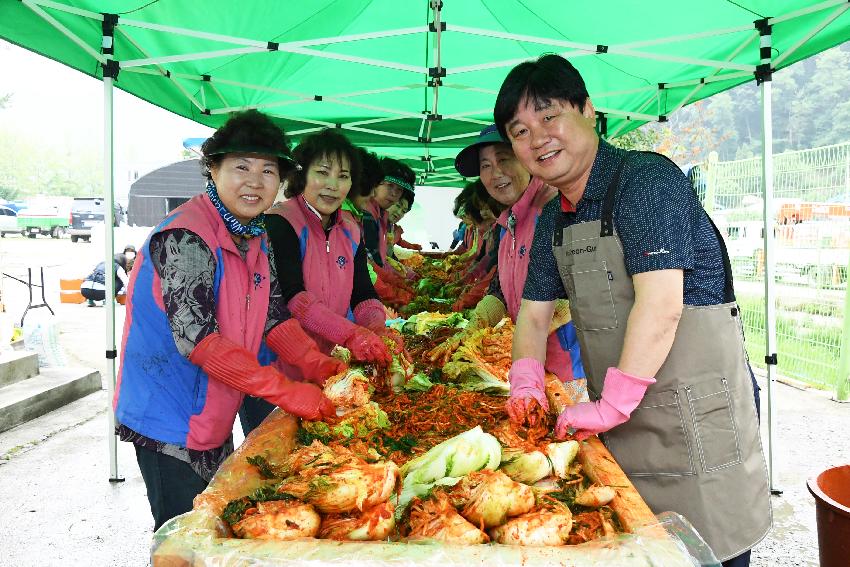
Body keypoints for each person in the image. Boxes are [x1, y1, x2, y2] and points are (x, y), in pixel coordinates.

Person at [495, 55, 770, 566]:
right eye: (520, 130)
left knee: (711, 550)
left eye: (550, 116)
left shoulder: (645, 180)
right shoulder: (555, 215)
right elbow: (534, 314)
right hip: (622, 420)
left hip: (693, 413)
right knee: (643, 548)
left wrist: (612, 404)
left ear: (588, 110)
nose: (538, 139)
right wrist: (525, 383)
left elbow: (662, 304)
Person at [113, 110, 341, 531]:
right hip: (168, 416)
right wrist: (287, 390)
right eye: (241, 167)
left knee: (216, 524)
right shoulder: (186, 237)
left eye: (268, 170)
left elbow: (275, 317)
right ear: (212, 169)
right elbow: (200, 341)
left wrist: (320, 365)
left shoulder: (255, 234)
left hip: (215, 408)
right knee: (184, 539)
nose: (254, 182)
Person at [249, 129, 402, 432]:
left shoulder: (351, 229)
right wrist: (352, 335)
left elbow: (363, 292)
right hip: (275, 369)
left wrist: (376, 329)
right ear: (301, 175)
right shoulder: (280, 223)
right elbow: (295, 298)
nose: (333, 185)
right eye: (322, 173)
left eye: (343, 176)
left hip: (325, 365)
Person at [433, 125, 585, 393]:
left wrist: (515, 337)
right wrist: (472, 329)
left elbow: (580, 292)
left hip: (571, 371)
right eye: (486, 166)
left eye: (504, 159)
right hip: (532, 369)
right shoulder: (508, 223)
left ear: (525, 157)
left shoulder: (556, 208)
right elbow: (501, 291)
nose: (496, 173)